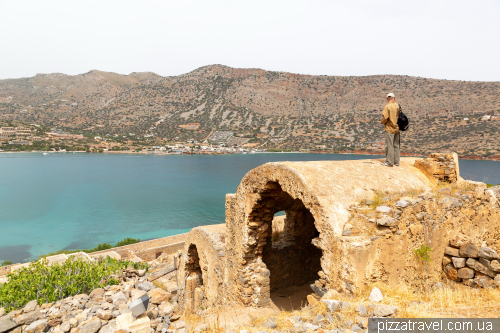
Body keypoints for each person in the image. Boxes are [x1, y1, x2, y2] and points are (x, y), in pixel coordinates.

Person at [381, 93, 400, 167]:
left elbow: (385, 117)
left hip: (389, 128)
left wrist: (382, 122)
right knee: (396, 145)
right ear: (394, 98)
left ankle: (389, 162)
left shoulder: (387, 106)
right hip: (397, 128)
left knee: (389, 145)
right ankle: (396, 162)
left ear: (387, 99)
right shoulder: (398, 105)